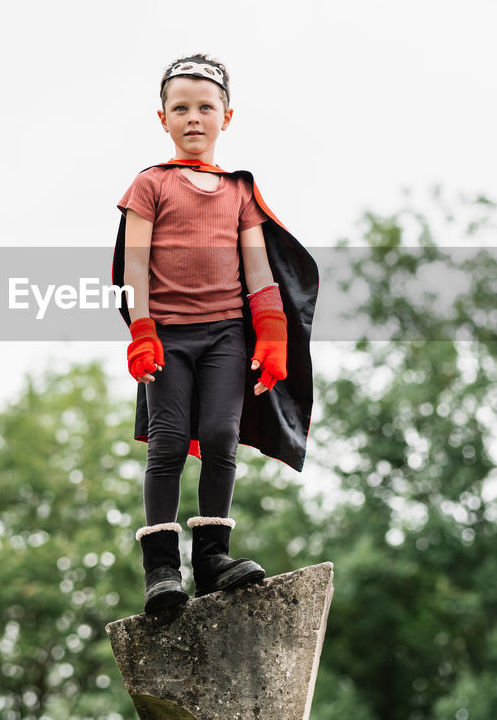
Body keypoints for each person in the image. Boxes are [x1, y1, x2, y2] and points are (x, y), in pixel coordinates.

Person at [112, 54, 318, 613]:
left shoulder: (239, 192)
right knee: (169, 442)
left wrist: (272, 335)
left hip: (227, 334)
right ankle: (161, 569)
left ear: (227, 116)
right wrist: (142, 330)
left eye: (206, 107)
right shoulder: (149, 184)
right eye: (181, 108)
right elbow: (133, 267)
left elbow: (258, 271)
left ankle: (212, 560)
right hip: (169, 337)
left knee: (222, 436)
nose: (194, 118)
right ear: (163, 119)